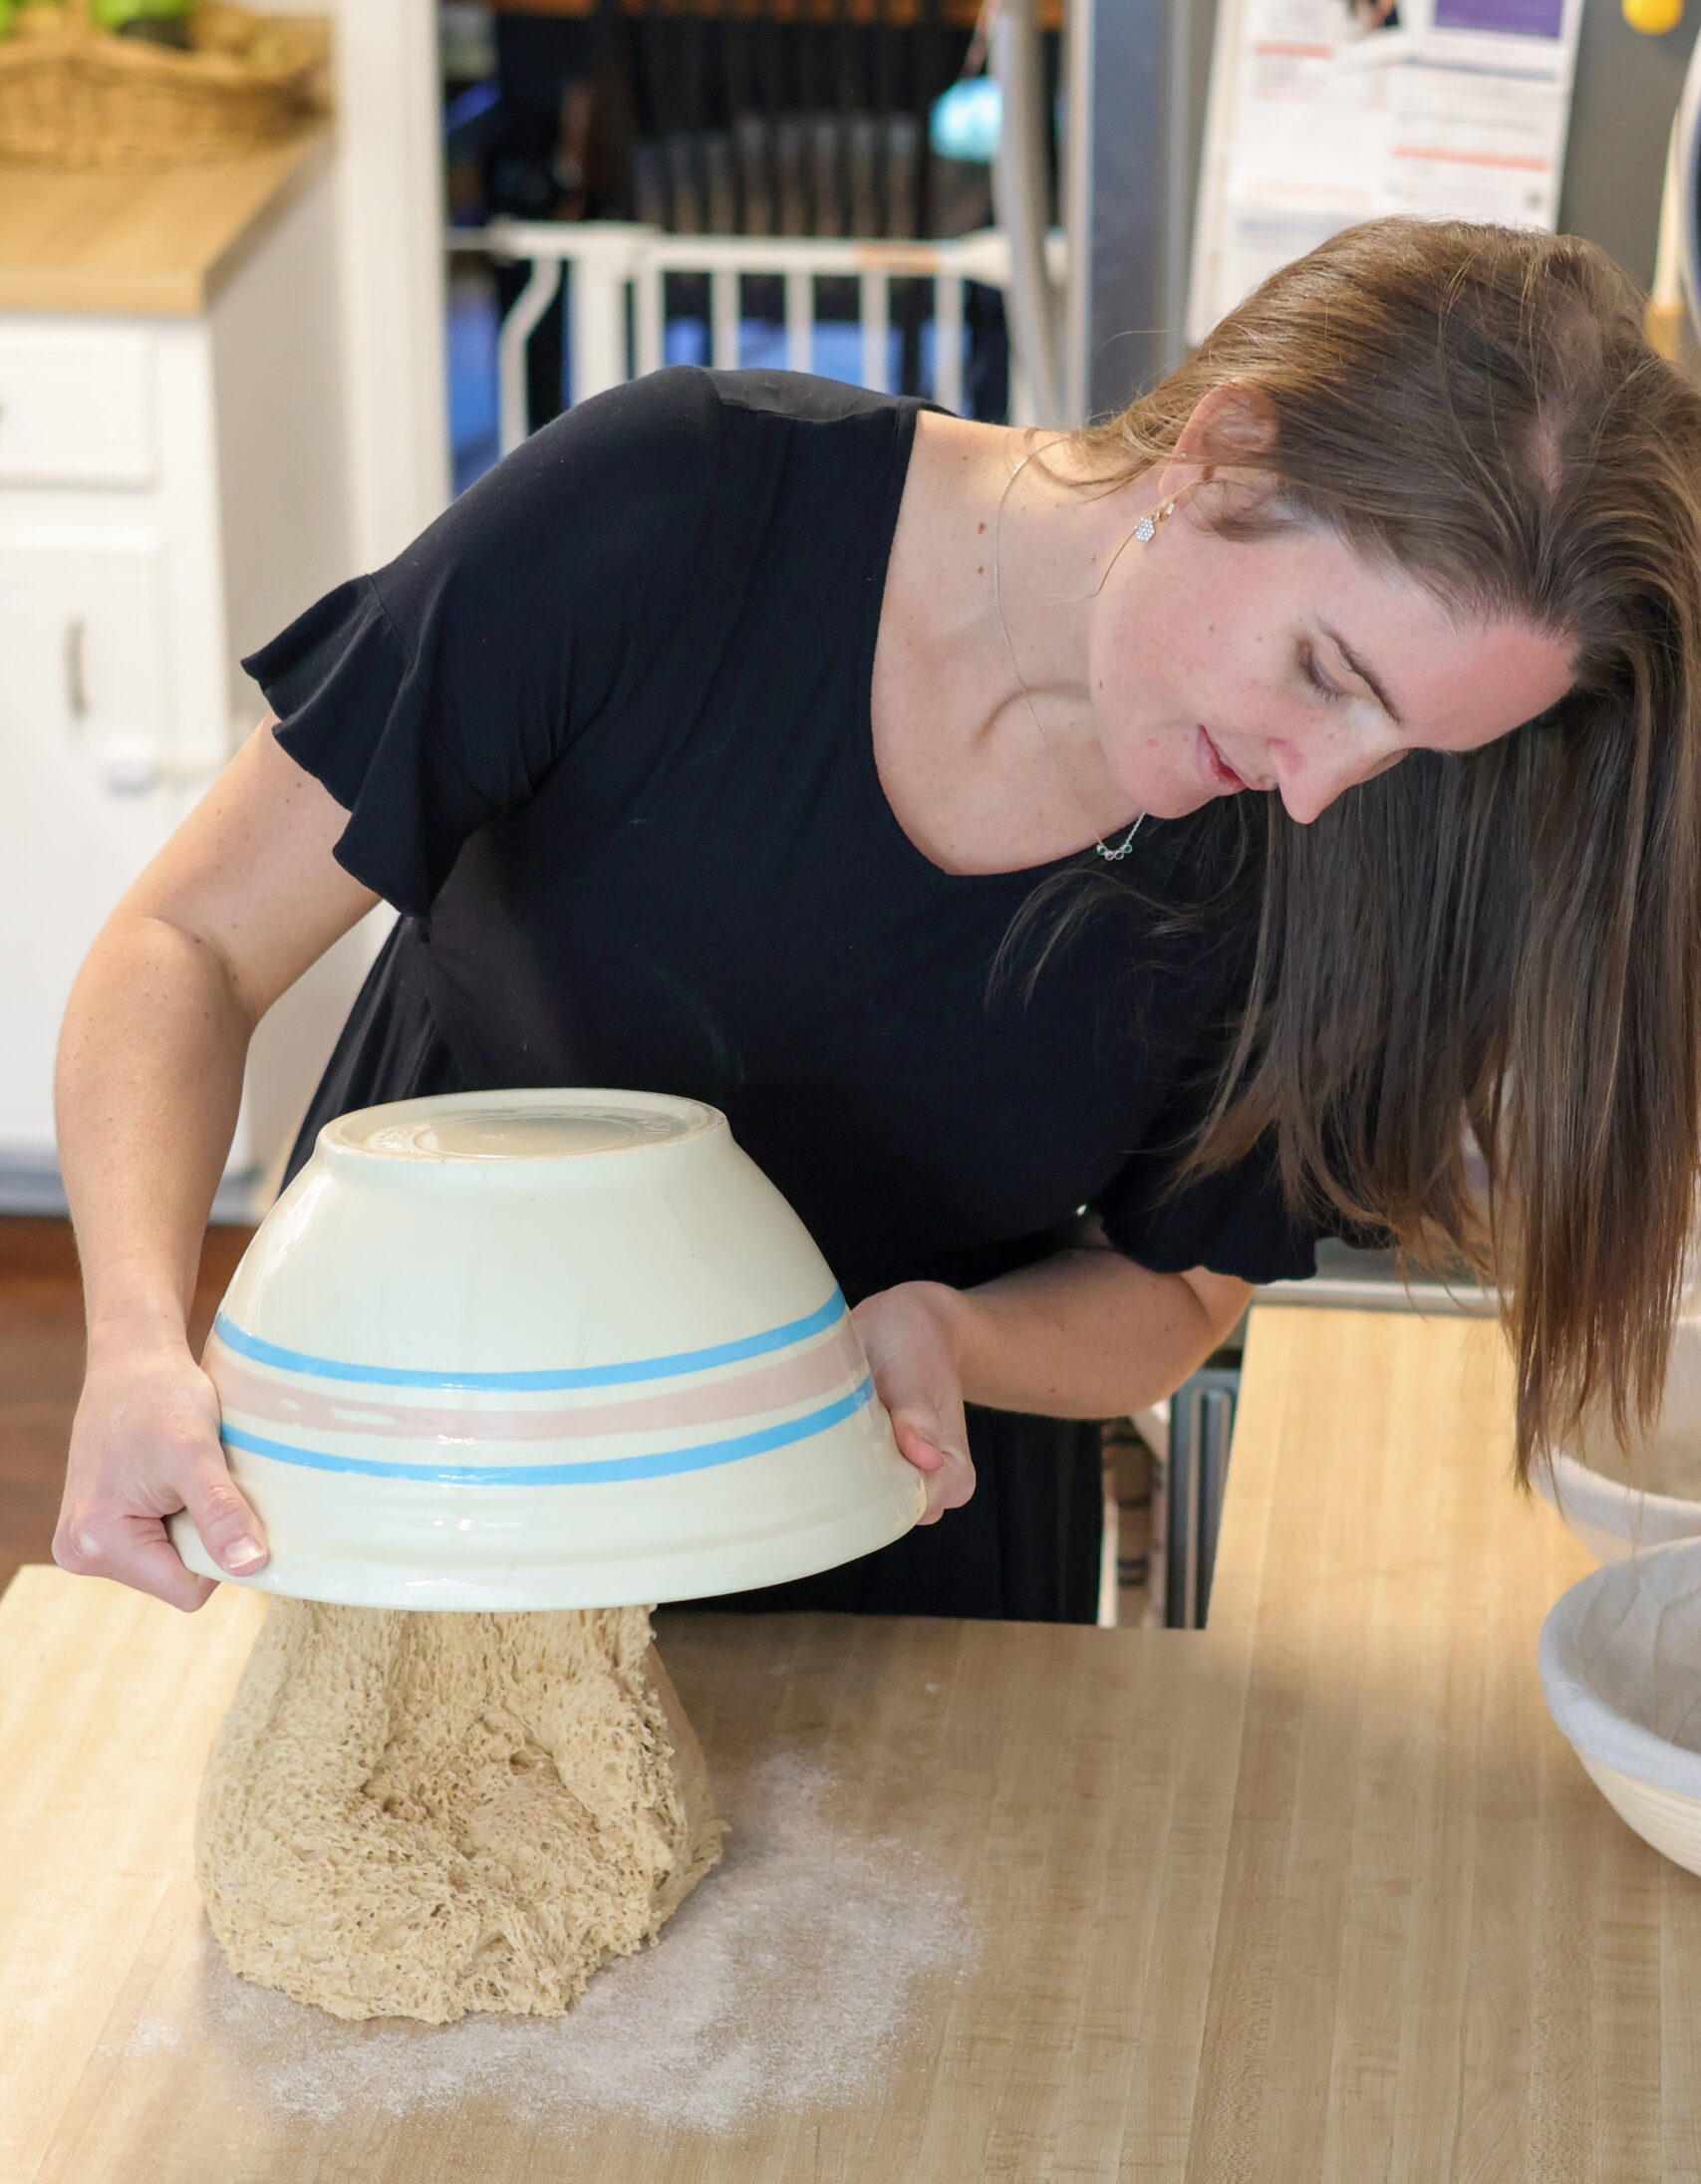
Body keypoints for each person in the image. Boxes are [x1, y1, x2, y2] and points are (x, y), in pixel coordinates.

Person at [52, 217, 1701, 1621]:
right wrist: (135, 1339)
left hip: (902, 1550)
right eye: (1329, 677)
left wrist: (952, 1335)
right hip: (445, 1487)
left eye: (1410, 741)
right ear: (1227, 454)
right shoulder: (673, 518)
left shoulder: (1338, 854)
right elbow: (186, 948)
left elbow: (1178, 1291)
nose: (1329, 785)